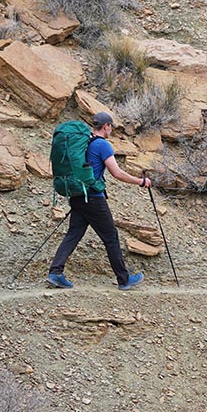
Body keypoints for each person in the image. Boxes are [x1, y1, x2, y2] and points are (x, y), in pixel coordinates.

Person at [47, 112, 151, 290]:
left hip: (78, 196)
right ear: (106, 126)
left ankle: (55, 273)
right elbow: (117, 173)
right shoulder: (102, 144)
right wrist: (140, 181)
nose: (111, 130)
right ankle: (124, 280)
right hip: (93, 198)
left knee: (73, 234)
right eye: (111, 127)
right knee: (111, 237)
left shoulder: (84, 142)